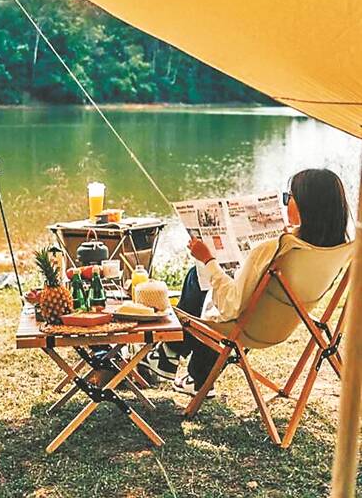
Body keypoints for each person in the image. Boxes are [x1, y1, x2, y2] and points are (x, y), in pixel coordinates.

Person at [145, 168, 351, 396]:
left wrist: (208, 260)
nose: (285, 203)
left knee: (198, 275)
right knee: (214, 280)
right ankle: (193, 373)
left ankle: (171, 353)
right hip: (281, 326)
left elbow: (231, 306)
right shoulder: (335, 250)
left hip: (245, 326)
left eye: (289, 197)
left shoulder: (276, 248)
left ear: (306, 205)